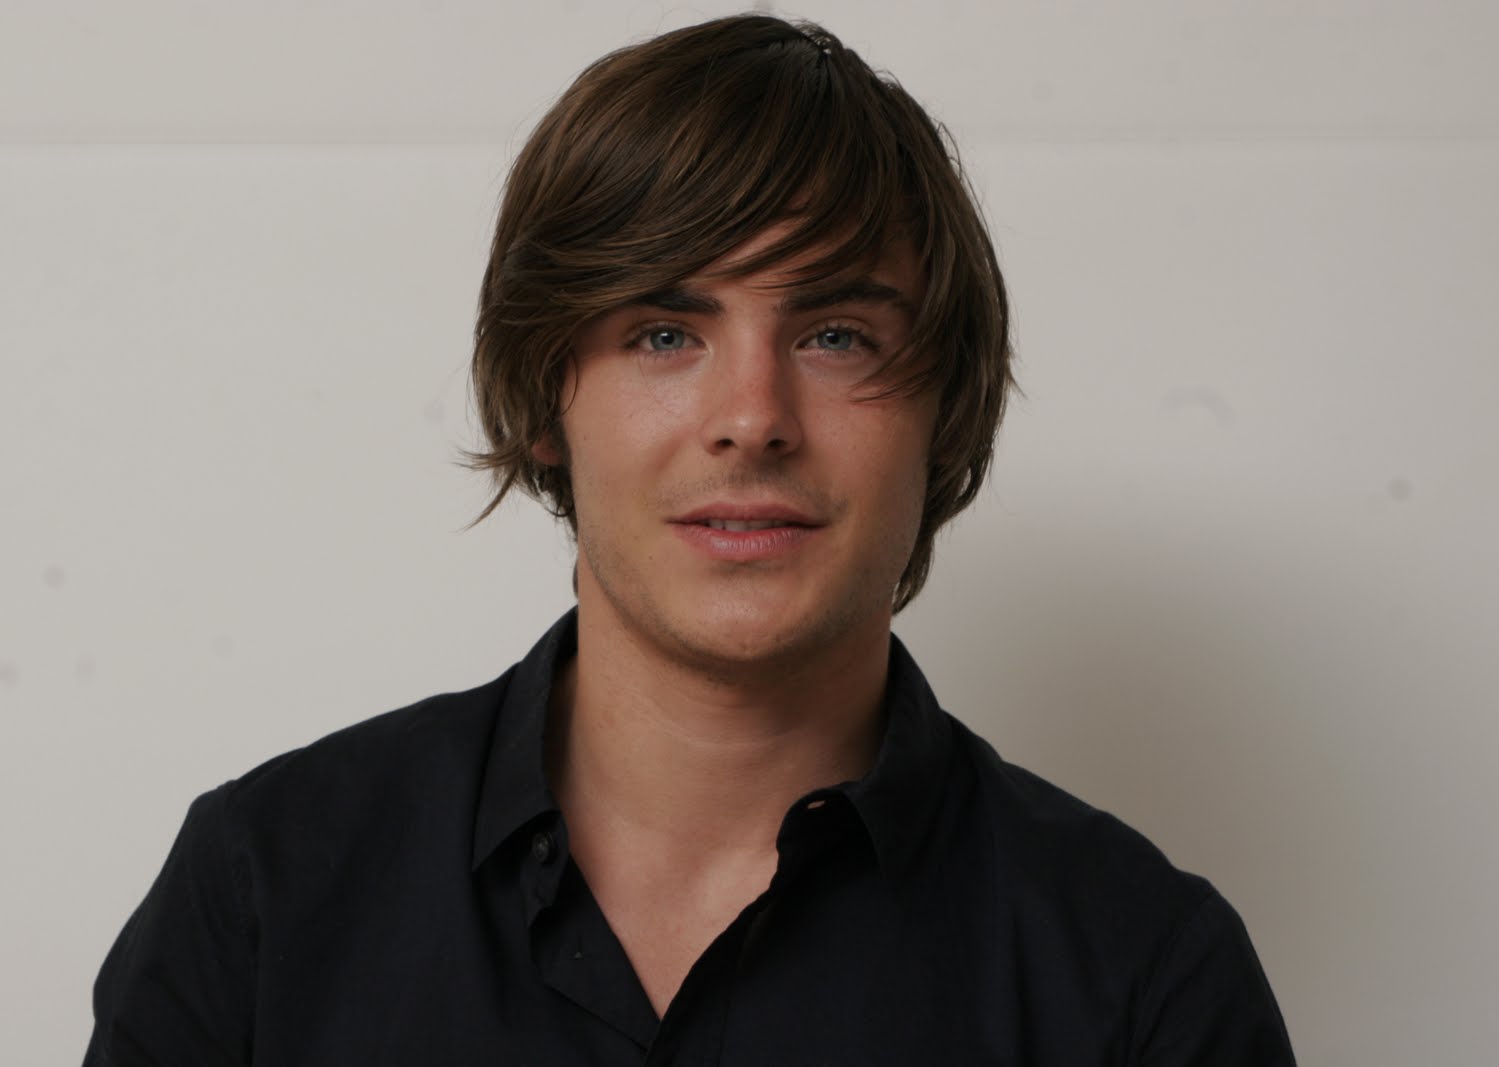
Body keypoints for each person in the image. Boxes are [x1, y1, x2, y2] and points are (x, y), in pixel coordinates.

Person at [85, 14, 1295, 1065]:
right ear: (545, 396)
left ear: (943, 414)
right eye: (664, 334)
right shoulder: (264, 893)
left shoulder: (1142, 969)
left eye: (835, 335)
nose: (752, 416)